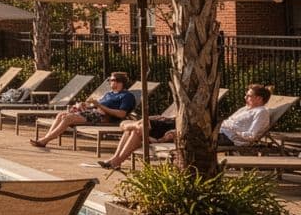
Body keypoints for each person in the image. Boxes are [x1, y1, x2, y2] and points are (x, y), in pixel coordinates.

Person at [97, 84, 273, 169]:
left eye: (249, 96)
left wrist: (223, 125)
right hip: (215, 129)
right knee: (140, 129)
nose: (246, 98)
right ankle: (116, 159)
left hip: (223, 136)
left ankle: (118, 159)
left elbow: (251, 136)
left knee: (139, 130)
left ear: (259, 99)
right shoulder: (246, 108)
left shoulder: (261, 112)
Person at [30, 72, 136, 148]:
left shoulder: (126, 96)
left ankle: (45, 140)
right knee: (61, 114)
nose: (109, 82)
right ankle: (46, 139)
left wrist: (99, 105)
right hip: (94, 113)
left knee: (68, 118)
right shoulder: (109, 94)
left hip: (104, 118)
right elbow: (96, 105)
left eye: (111, 80)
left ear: (119, 82)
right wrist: (85, 105)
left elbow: (121, 114)